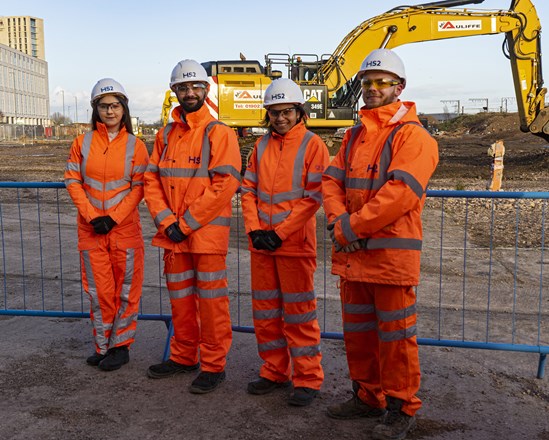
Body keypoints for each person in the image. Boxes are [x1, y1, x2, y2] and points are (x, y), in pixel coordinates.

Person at [322, 49, 439, 440]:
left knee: (395, 338)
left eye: (381, 83)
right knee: (359, 334)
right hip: (354, 255)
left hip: (389, 258)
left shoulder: (414, 136)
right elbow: (331, 181)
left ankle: (402, 406)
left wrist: (349, 228)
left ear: (399, 87)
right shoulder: (354, 134)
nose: (372, 89)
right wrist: (341, 223)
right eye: (368, 83)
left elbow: (401, 193)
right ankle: (366, 396)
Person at [144, 59, 241, 394]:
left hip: (204, 237)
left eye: (194, 87)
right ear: (174, 92)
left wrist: (185, 224)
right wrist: (165, 221)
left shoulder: (219, 133)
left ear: (205, 90)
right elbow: (150, 180)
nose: (189, 93)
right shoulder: (165, 134)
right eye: (182, 88)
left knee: (211, 304)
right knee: (181, 300)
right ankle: (184, 356)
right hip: (173, 235)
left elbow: (224, 184)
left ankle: (214, 365)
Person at [241, 78, 328, 407]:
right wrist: (254, 230)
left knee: (299, 314)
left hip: (293, 245)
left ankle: (307, 378)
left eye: (287, 111)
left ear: (299, 111)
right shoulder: (260, 147)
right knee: (265, 312)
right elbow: (248, 190)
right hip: (262, 244)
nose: (280, 118)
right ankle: (274, 371)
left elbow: (312, 198)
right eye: (274, 113)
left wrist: (279, 232)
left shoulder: (313, 146)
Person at [64, 78, 149, 371]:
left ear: (123, 109)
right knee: (99, 293)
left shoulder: (136, 146)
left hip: (123, 230)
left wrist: (112, 217)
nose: (110, 111)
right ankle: (103, 346)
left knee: (125, 292)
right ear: (95, 109)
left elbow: (139, 187)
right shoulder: (82, 143)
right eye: (104, 106)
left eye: (115, 105)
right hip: (91, 231)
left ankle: (121, 346)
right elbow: (72, 180)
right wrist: (91, 216)